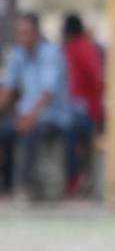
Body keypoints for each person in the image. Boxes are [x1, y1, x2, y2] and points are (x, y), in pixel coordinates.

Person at [0, 12, 73, 196]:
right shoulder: (18, 54)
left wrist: (29, 118)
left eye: (26, 32)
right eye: (19, 32)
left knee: (30, 132)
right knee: (6, 129)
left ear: (36, 32)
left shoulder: (51, 54)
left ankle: (24, 187)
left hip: (52, 117)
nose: (22, 36)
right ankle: (7, 184)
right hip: (25, 116)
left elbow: (47, 94)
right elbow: (8, 90)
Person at [61, 12, 104, 193]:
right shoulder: (74, 48)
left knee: (67, 127)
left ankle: (73, 177)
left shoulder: (80, 48)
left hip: (86, 110)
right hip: (79, 107)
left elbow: (96, 79)